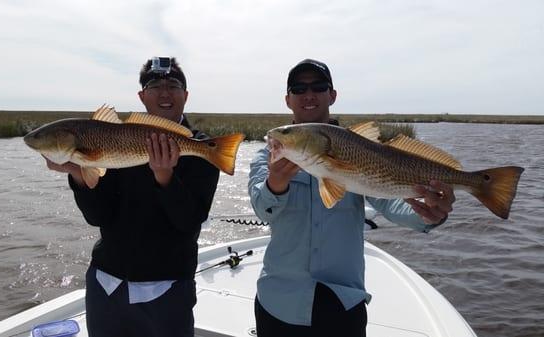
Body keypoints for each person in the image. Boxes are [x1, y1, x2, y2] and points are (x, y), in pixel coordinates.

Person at [248, 59, 456, 337]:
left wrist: (430, 212)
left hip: (343, 304)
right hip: (279, 303)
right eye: (298, 89)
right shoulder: (266, 157)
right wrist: (276, 183)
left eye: (319, 87)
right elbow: (263, 211)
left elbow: (391, 203)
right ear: (288, 100)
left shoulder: (360, 148)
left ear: (332, 95)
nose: (309, 94)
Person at [44, 57, 219, 337]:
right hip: (106, 285)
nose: (164, 93)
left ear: (185, 96)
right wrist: (79, 175)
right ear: (141, 96)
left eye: (173, 85)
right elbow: (98, 216)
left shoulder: (203, 148)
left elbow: (190, 222)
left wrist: (165, 178)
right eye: (154, 85)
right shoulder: (114, 139)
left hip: (167, 291)